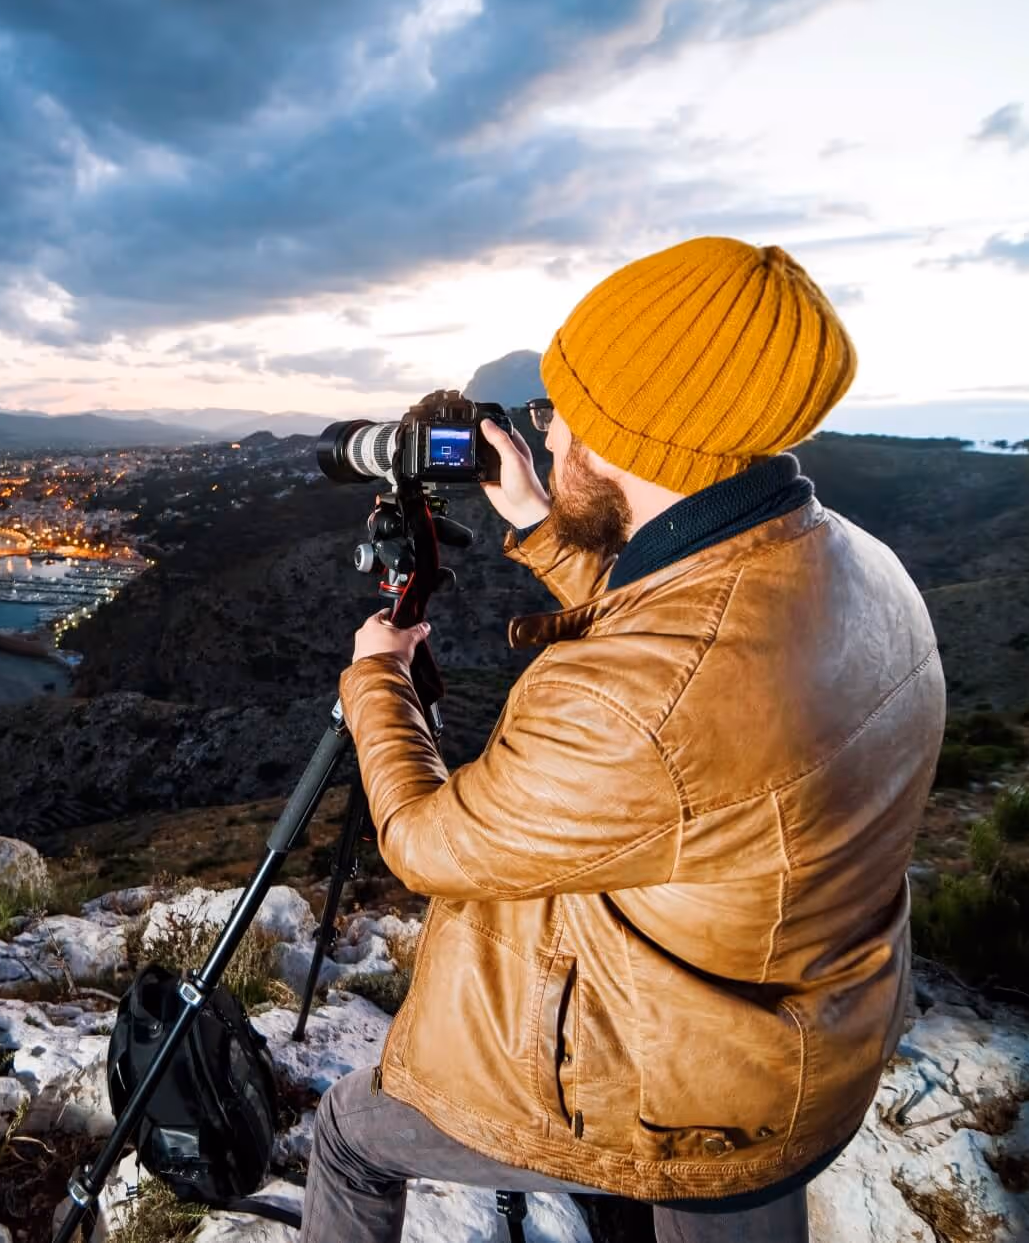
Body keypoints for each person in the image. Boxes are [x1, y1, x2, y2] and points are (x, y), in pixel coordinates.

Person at [306, 236, 946, 1242]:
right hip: (799, 1051)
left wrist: (378, 677)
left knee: (347, 1131)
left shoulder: (631, 702)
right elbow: (691, 644)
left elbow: (428, 840)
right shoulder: (861, 569)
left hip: (685, 1112)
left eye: (567, 415)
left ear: (623, 441)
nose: (548, 438)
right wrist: (544, 528)